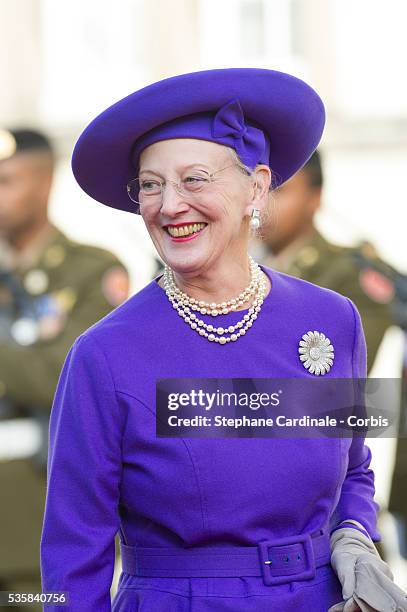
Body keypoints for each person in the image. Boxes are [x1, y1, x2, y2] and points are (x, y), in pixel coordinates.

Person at [40, 68, 407, 611]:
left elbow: (353, 468)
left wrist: (353, 536)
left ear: (256, 186)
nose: (169, 205)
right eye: (150, 184)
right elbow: (72, 560)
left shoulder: (333, 319)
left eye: (194, 179)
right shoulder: (104, 354)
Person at [0, 128, 129, 610]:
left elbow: (68, 378)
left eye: (7, 180)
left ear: (44, 183)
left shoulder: (90, 271)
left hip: (40, 524)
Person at [251, 150, 394, 374]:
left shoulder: (351, 273)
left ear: (315, 198)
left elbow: (338, 373)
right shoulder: (241, 267)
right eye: (258, 190)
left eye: (278, 191)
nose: (263, 203)